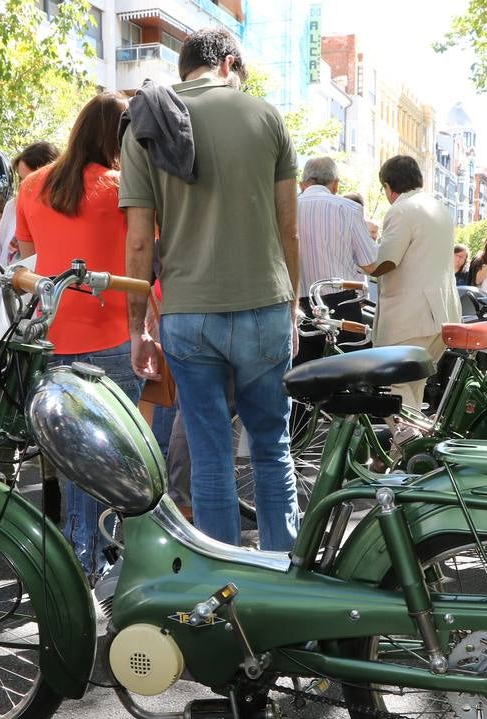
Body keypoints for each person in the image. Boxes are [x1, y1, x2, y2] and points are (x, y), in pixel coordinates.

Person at [120, 26, 300, 552]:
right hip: (265, 305)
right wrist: (291, 309)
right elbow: (288, 228)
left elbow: (137, 242)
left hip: (188, 315)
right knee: (272, 448)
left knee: (210, 454)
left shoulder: (145, 122)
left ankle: (226, 589)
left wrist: (137, 328)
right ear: (229, 65)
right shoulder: (266, 115)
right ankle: (283, 576)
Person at [16, 91, 141, 572]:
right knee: (117, 461)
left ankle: (75, 559)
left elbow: (30, 257)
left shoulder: (33, 187)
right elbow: (144, 259)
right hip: (110, 338)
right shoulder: (124, 186)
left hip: (51, 338)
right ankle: (102, 563)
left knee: (71, 461)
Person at [359, 155, 462, 412]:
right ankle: (406, 450)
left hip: (411, 317)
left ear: (388, 185)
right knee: (413, 389)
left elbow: (385, 261)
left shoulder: (402, 209)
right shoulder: (437, 207)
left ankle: (405, 447)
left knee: (396, 390)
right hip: (440, 314)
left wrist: (357, 260)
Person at [0, 141, 58, 338]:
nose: (24, 187)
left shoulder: (59, 210)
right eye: (20, 180)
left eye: (29, 179)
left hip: (32, 316)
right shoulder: (13, 206)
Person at [295, 155, 376, 362]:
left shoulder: (285, 209)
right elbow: (370, 263)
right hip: (342, 304)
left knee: (303, 378)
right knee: (349, 376)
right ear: (336, 184)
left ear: (303, 183)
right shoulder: (349, 209)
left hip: (298, 306)